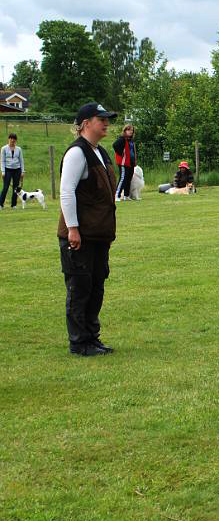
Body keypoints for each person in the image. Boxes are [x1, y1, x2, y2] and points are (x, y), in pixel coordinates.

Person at [57, 102, 118, 356]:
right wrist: (72, 228)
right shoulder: (77, 153)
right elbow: (66, 192)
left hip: (98, 234)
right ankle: (79, 342)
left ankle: (92, 338)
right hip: (80, 235)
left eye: (107, 119)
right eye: (100, 119)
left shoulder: (100, 152)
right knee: (80, 287)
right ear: (85, 124)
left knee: (95, 286)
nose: (105, 123)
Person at [112, 124, 137, 201]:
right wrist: (120, 153)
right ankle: (116, 195)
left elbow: (133, 151)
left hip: (131, 162)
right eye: (129, 130)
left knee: (128, 179)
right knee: (123, 178)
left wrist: (135, 160)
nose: (131, 132)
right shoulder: (122, 139)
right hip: (123, 163)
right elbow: (114, 145)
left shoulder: (131, 141)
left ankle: (126, 196)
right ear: (125, 131)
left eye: (132, 130)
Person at [0, 133, 25, 210]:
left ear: (15, 140)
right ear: (9, 139)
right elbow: (2, 160)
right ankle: (1, 204)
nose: (12, 140)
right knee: (5, 187)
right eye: (11, 138)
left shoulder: (19, 149)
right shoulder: (4, 148)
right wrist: (3, 171)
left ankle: (13, 205)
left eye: (14, 139)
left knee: (16, 188)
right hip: (7, 170)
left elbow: (21, 160)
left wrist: (22, 171)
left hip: (17, 170)